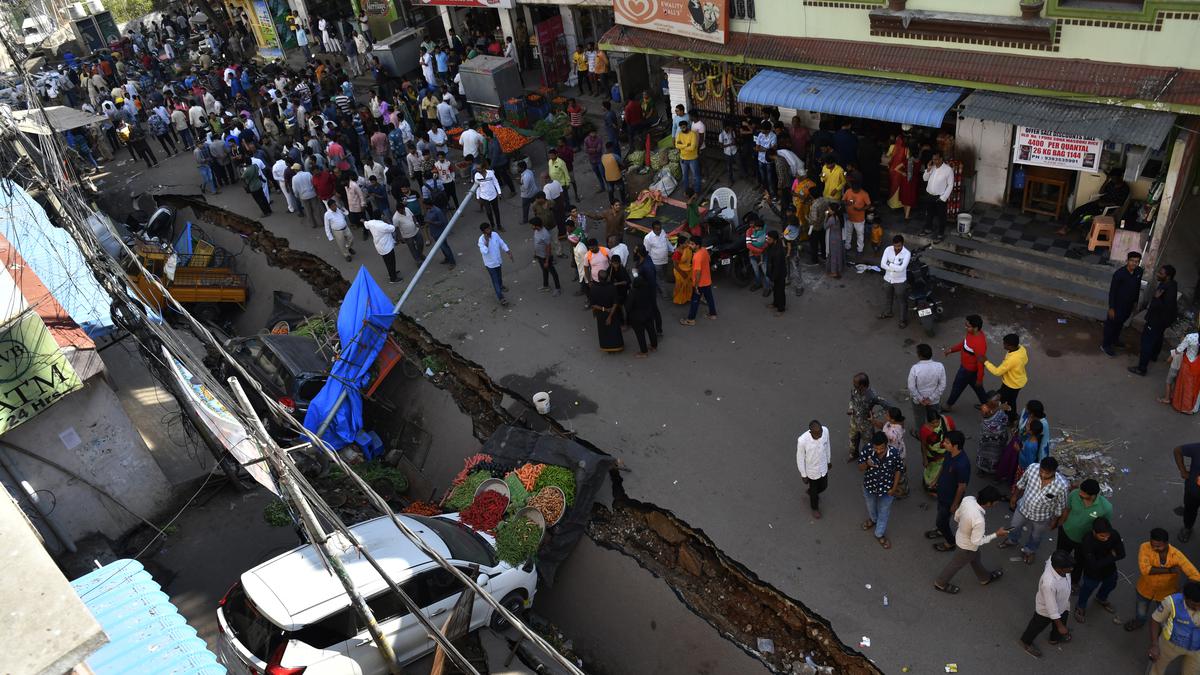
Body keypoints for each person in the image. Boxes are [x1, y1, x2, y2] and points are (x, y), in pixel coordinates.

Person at [933, 485, 1009, 594]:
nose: (997, 503)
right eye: (996, 502)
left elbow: (956, 516)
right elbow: (977, 541)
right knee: (956, 564)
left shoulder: (968, 499)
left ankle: (984, 578)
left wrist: (964, 526)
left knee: (975, 557)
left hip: (960, 537)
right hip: (967, 547)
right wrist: (997, 534)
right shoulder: (979, 520)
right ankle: (940, 583)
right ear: (988, 503)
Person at [1126, 528, 1200, 632]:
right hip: (1145, 589)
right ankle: (1139, 621)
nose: (1154, 548)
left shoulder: (1177, 555)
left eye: (1158, 546)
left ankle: (1162, 628)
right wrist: (1170, 570)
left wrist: (1186, 590)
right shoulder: (1145, 547)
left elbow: (1195, 576)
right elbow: (1145, 570)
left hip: (1166, 593)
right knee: (1141, 610)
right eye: (1152, 545)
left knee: (1164, 614)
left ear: (1166, 543)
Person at [1001, 456, 1069, 564]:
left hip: (1042, 517)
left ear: (1054, 472)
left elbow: (1060, 506)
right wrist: (1014, 498)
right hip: (1023, 508)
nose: (1042, 475)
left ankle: (1029, 551)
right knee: (1014, 526)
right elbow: (1021, 484)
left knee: (1036, 537)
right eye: (1041, 471)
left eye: (1047, 473)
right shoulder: (1032, 468)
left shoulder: (1062, 485)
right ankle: (1012, 540)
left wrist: (1055, 521)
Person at [1019, 550, 1075, 659]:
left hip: (1063, 604)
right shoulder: (1049, 584)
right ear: (1059, 568)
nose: (1071, 569)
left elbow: (1049, 559)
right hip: (1046, 611)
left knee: (1062, 619)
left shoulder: (1054, 562)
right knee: (1036, 626)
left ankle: (1055, 638)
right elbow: (1052, 608)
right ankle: (1026, 642)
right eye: (1069, 568)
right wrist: (1060, 626)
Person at [1058, 479, 1113, 587]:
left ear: (1093, 496)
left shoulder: (1106, 508)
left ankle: (1073, 582)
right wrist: (1061, 522)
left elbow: (1105, 527)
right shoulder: (1074, 495)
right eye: (1080, 492)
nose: (1080, 494)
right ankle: (1057, 573)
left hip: (1084, 542)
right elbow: (1067, 510)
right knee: (1061, 555)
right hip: (1066, 533)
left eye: (1083, 495)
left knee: (1079, 562)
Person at [858, 431, 903, 550]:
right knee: (871, 506)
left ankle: (879, 533)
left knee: (884, 512)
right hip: (869, 487)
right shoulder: (867, 449)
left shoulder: (894, 453)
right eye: (876, 448)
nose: (878, 451)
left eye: (881, 448)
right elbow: (860, 468)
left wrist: (894, 488)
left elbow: (899, 469)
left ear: (886, 445)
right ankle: (873, 520)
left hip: (887, 490)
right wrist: (867, 464)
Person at [1075, 517, 1125, 623]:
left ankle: (1101, 598)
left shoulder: (1114, 534)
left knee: (1110, 585)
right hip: (1092, 573)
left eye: (1107, 535)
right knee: (1087, 590)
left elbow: (1122, 554)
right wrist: (1111, 557)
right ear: (1094, 532)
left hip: (1110, 570)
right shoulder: (1087, 540)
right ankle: (1080, 606)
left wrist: (1104, 560)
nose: (1106, 538)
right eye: (1102, 536)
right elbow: (1093, 565)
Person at [928, 430, 970, 553]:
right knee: (941, 515)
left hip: (950, 499)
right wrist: (935, 480)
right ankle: (941, 530)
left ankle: (950, 542)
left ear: (955, 445)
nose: (943, 444)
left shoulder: (962, 464)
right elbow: (943, 467)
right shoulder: (949, 453)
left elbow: (962, 487)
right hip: (942, 493)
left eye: (947, 442)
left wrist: (955, 504)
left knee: (941, 521)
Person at [1132, 265, 1179, 375]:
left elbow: (1166, 307)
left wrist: (1157, 298)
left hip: (1157, 320)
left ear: (1168, 276)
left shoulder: (1167, 288)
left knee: (1147, 341)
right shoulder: (1171, 284)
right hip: (1162, 321)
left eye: (1161, 273)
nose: (1158, 274)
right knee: (1158, 337)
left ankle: (1141, 368)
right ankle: (1153, 356)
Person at [1057, 168, 1129, 236]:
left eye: (1114, 178)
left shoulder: (1125, 188)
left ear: (1120, 177)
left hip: (1108, 208)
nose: (1113, 180)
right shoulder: (1111, 183)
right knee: (1079, 209)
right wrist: (1107, 180)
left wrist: (1105, 204)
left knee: (1085, 215)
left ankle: (1068, 228)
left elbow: (1119, 203)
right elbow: (1101, 192)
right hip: (1099, 203)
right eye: (1112, 178)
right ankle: (1066, 226)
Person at [1148, 580, 1200, 674]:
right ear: (1185, 598)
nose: (1197, 608)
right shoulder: (1171, 602)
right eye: (1193, 605)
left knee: (1193, 672)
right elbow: (1155, 620)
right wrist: (1155, 645)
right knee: (1158, 669)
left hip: (1197, 648)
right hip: (1170, 645)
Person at [1102, 250, 1144, 356]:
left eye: (1137, 261)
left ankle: (1115, 341)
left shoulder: (1139, 271)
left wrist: (1135, 302)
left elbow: (1137, 287)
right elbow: (1113, 291)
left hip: (1128, 305)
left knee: (1120, 324)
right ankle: (1105, 345)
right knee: (1111, 325)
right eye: (1132, 261)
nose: (1134, 263)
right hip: (1117, 306)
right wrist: (1111, 307)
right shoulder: (1119, 274)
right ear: (1127, 261)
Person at [943, 315, 989, 410]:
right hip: (968, 369)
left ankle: (948, 405)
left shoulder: (979, 344)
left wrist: (980, 379)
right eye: (966, 325)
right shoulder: (971, 334)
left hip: (967, 371)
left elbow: (981, 364)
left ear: (975, 328)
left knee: (957, 387)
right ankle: (987, 405)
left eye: (968, 326)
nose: (965, 327)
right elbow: (964, 344)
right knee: (978, 388)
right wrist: (951, 350)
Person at [847, 373, 890, 462]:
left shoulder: (872, 396)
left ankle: (870, 461)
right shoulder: (854, 390)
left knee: (869, 444)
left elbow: (887, 406)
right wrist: (851, 408)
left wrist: (874, 416)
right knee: (853, 439)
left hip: (866, 424)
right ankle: (854, 454)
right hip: (854, 420)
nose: (853, 385)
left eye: (855, 383)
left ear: (862, 385)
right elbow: (852, 399)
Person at [796, 421, 832, 519]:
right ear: (810, 432)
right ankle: (814, 508)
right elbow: (800, 458)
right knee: (814, 490)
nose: (820, 435)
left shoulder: (825, 431)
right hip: (812, 470)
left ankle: (812, 492)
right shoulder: (802, 441)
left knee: (824, 486)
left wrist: (828, 460)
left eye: (820, 432)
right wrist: (803, 474)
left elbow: (827, 446)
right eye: (817, 434)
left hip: (823, 466)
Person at [985, 333, 1028, 412]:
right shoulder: (1021, 348)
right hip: (1017, 381)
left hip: (1012, 384)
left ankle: (990, 409)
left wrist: (985, 362)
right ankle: (1009, 415)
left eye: (1005, 344)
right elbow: (1025, 361)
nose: (1003, 345)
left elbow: (997, 372)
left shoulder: (1012, 359)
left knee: (1002, 398)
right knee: (1010, 400)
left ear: (1011, 346)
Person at [1165, 319, 1200, 414]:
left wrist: (1172, 355)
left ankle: (1184, 407)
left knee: (1185, 386)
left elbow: (1179, 350)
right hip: (1198, 364)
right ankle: (1193, 407)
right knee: (1194, 386)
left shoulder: (1191, 337)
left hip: (1188, 364)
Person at [907, 343, 946, 427]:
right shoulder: (940, 366)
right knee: (934, 418)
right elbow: (942, 385)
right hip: (934, 400)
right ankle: (935, 434)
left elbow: (911, 386)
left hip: (918, 401)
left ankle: (921, 434)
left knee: (919, 418)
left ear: (919, 355)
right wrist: (931, 398)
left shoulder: (915, 368)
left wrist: (920, 398)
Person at [680, 237, 715, 326]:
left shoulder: (697, 256)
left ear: (697, 245)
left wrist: (696, 286)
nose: (689, 245)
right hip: (707, 280)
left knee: (694, 301)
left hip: (700, 283)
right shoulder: (704, 250)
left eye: (692, 244)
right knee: (709, 298)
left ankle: (691, 319)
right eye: (689, 243)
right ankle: (713, 314)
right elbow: (709, 260)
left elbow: (698, 272)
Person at [477, 222, 513, 306]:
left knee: (499, 276)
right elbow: (484, 252)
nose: (489, 230)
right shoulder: (481, 240)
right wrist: (486, 242)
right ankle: (501, 298)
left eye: (489, 228)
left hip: (498, 261)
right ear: (483, 231)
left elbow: (501, 243)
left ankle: (501, 286)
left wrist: (508, 251)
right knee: (495, 280)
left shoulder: (495, 234)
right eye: (487, 229)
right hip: (490, 264)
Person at [920, 152, 954, 240]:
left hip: (940, 197)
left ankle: (940, 233)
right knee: (929, 214)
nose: (934, 161)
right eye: (933, 159)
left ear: (941, 159)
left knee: (941, 216)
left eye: (936, 159)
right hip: (929, 195)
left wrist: (943, 198)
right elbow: (925, 179)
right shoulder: (932, 167)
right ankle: (928, 229)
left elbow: (950, 185)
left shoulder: (948, 170)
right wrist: (928, 169)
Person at [879, 235, 910, 327]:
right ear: (893, 244)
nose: (897, 248)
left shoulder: (907, 253)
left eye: (899, 246)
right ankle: (888, 312)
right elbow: (882, 264)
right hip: (888, 279)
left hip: (900, 281)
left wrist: (889, 265)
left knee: (901, 300)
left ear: (902, 244)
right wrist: (894, 267)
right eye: (895, 246)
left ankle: (902, 320)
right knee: (888, 297)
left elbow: (902, 269)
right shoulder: (888, 249)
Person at [626, 270, 658, 357]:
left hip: (637, 318)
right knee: (651, 330)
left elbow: (628, 306)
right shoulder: (647, 289)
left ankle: (644, 352)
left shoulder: (633, 293)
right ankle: (653, 346)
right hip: (648, 314)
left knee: (640, 334)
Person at [886, 133, 919, 219]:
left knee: (893, 188)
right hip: (904, 174)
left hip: (894, 171)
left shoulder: (892, 147)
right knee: (901, 190)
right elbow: (909, 161)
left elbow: (888, 157)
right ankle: (901, 207)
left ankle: (892, 204)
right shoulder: (906, 150)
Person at [590, 269, 623, 352]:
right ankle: (617, 347)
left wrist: (603, 309)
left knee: (604, 331)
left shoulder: (594, 288)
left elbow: (593, 304)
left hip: (601, 314)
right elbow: (615, 303)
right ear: (607, 278)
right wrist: (610, 316)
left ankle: (606, 347)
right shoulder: (612, 287)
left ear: (598, 278)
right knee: (614, 330)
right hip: (612, 313)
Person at [1174, 443, 1200, 543]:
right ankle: (1187, 528)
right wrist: (1183, 471)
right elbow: (1177, 451)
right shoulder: (1197, 448)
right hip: (1193, 492)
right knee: (1190, 510)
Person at [976, 398, 1009, 476]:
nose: (982, 414)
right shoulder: (1000, 413)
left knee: (994, 456)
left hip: (993, 443)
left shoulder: (1000, 415)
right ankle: (983, 469)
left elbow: (1002, 426)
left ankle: (987, 470)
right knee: (987, 455)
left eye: (984, 412)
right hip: (989, 443)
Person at [363, 218, 401, 284]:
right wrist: (387, 221)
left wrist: (363, 221)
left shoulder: (371, 222)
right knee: (391, 262)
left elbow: (365, 224)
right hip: (387, 247)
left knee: (387, 262)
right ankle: (393, 278)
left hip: (380, 247)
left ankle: (392, 273)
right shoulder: (383, 225)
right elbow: (392, 228)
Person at [530, 217, 561, 296]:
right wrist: (535, 253)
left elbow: (548, 248)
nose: (531, 227)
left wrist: (547, 261)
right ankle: (546, 286)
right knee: (544, 271)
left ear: (536, 225)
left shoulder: (545, 234)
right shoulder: (536, 231)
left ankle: (558, 288)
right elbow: (536, 242)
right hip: (539, 256)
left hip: (545, 257)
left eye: (532, 225)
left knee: (553, 272)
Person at [644, 220, 674, 297]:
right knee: (660, 278)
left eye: (660, 229)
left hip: (665, 260)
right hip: (656, 262)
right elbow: (647, 251)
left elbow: (667, 242)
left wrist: (672, 250)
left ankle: (657, 288)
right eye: (657, 229)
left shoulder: (663, 232)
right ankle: (665, 294)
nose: (659, 231)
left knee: (663, 276)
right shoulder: (648, 238)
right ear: (653, 229)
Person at [842, 178, 871, 257]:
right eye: (853, 189)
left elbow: (868, 205)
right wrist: (846, 203)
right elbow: (843, 200)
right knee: (848, 232)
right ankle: (847, 247)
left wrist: (860, 209)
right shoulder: (848, 191)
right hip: (849, 217)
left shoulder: (864, 194)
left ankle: (860, 250)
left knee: (860, 234)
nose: (854, 191)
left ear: (859, 188)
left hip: (859, 219)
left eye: (856, 190)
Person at [474, 158, 503, 231]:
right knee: (489, 212)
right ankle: (492, 225)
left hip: (493, 195)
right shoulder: (477, 176)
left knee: (496, 211)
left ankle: (499, 225)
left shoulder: (490, 173)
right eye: (477, 168)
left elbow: (496, 182)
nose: (478, 170)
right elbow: (477, 187)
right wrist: (478, 197)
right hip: (484, 197)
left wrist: (499, 192)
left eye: (479, 168)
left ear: (484, 168)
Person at [675, 121, 701, 194]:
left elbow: (692, 148)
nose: (683, 129)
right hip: (683, 159)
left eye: (684, 127)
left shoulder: (693, 134)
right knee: (685, 176)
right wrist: (686, 145)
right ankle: (687, 191)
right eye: (681, 128)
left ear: (687, 126)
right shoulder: (679, 134)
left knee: (696, 176)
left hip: (692, 159)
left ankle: (697, 192)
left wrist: (682, 146)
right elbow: (677, 145)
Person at [764, 230, 787, 314]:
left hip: (779, 274)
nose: (767, 241)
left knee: (780, 291)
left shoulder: (778, 251)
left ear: (775, 240)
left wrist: (773, 278)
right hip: (773, 273)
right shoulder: (771, 246)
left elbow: (777, 267)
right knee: (775, 290)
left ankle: (781, 309)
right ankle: (775, 303)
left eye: (769, 239)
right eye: (767, 239)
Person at [671, 233, 694, 306]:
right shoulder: (677, 253)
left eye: (688, 242)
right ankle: (679, 299)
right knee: (680, 286)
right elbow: (675, 266)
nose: (687, 244)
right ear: (680, 244)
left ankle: (687, 298)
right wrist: (682, 274)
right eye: (686, 243)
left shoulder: (686, 249)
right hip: (679, 272)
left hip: (687, 270)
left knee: (688, 285)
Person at [824, 202, 845, 278]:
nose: (828, 210)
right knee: (838, 254)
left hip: (833, 239)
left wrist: (826, 217)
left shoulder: (832, 219)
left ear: (833, 210)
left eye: (829, 209)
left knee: (833, 255)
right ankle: (839, 269)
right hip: (838, 237)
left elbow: (825, 226)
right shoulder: (839, 216)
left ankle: (834, 272)